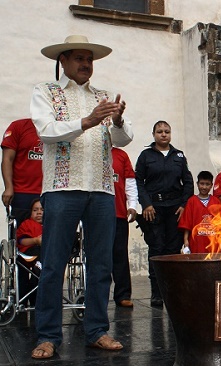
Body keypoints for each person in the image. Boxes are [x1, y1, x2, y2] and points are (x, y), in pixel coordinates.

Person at [30, 35, 133, 358]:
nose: (85, 64)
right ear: (63, 61)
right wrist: (87, 121)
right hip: (62, 189)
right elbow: (45, 130)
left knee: (101, 264)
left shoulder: (102, 96)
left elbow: (123, 138)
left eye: (89, 59)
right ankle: (47, 336)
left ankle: (97, 330)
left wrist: (116, 120)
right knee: (53, 264)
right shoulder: (46, 92)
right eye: (78, 58)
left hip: (101, 189)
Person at [135, 120, 194, 307]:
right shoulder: (145, 156)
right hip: (154, 209)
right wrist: (146, 204)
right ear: (153, 134)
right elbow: (139, 182)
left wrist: (184, 204)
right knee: (157, 249)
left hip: (175, 208)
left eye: (167, 131)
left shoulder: (179, 156)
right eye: (159, 131)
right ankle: (157, 293)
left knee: (172, 251)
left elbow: (188, 182)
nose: (163, 134)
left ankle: (171, 291)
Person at [1, 118, 43, 225]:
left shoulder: (59, 129)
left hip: (51, 193)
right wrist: (8, 187)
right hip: (23, 192)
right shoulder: (18, 127)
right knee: (21, 233)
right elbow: (7, 159)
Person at [111, 147, 138, 308]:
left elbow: (130, 183)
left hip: (118, 214)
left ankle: (123, 294)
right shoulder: (90, 151)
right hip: (94, 215)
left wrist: (132, 205)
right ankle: (91, 295)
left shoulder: (121, 155)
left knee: (120, 255)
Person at [178, 171, 221, 254]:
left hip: (213, 241)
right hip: (196, 241)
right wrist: (186, 240)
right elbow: (187, 224)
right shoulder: (191, 201)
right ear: (197, 184)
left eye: (207, 184)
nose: (204, 187)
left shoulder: (216, 201)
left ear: (211, 185)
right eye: (202, 184)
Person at [15, 199, 43, 305]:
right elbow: (21, 241)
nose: (39, 212)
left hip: (46, 253)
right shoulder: (27, 224)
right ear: (30, 213)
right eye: (35, 210)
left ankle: (36, 297)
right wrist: (35, 240)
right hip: (28, 253)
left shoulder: (51, 225)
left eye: (42, 210)